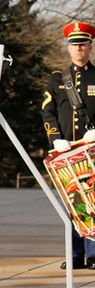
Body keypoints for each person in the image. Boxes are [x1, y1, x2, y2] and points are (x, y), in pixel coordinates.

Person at [41, 21, 95, 270]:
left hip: (92, 150)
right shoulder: (57, 79)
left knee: (93, 200)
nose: (78, 49)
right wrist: (55, 139)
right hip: (67, 151)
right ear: (69, 48)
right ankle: (75, 255)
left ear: (90, 46)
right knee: (72, 202)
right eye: (74, 45)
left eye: (83, 44)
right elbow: (47, 112)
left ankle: (93, 254)